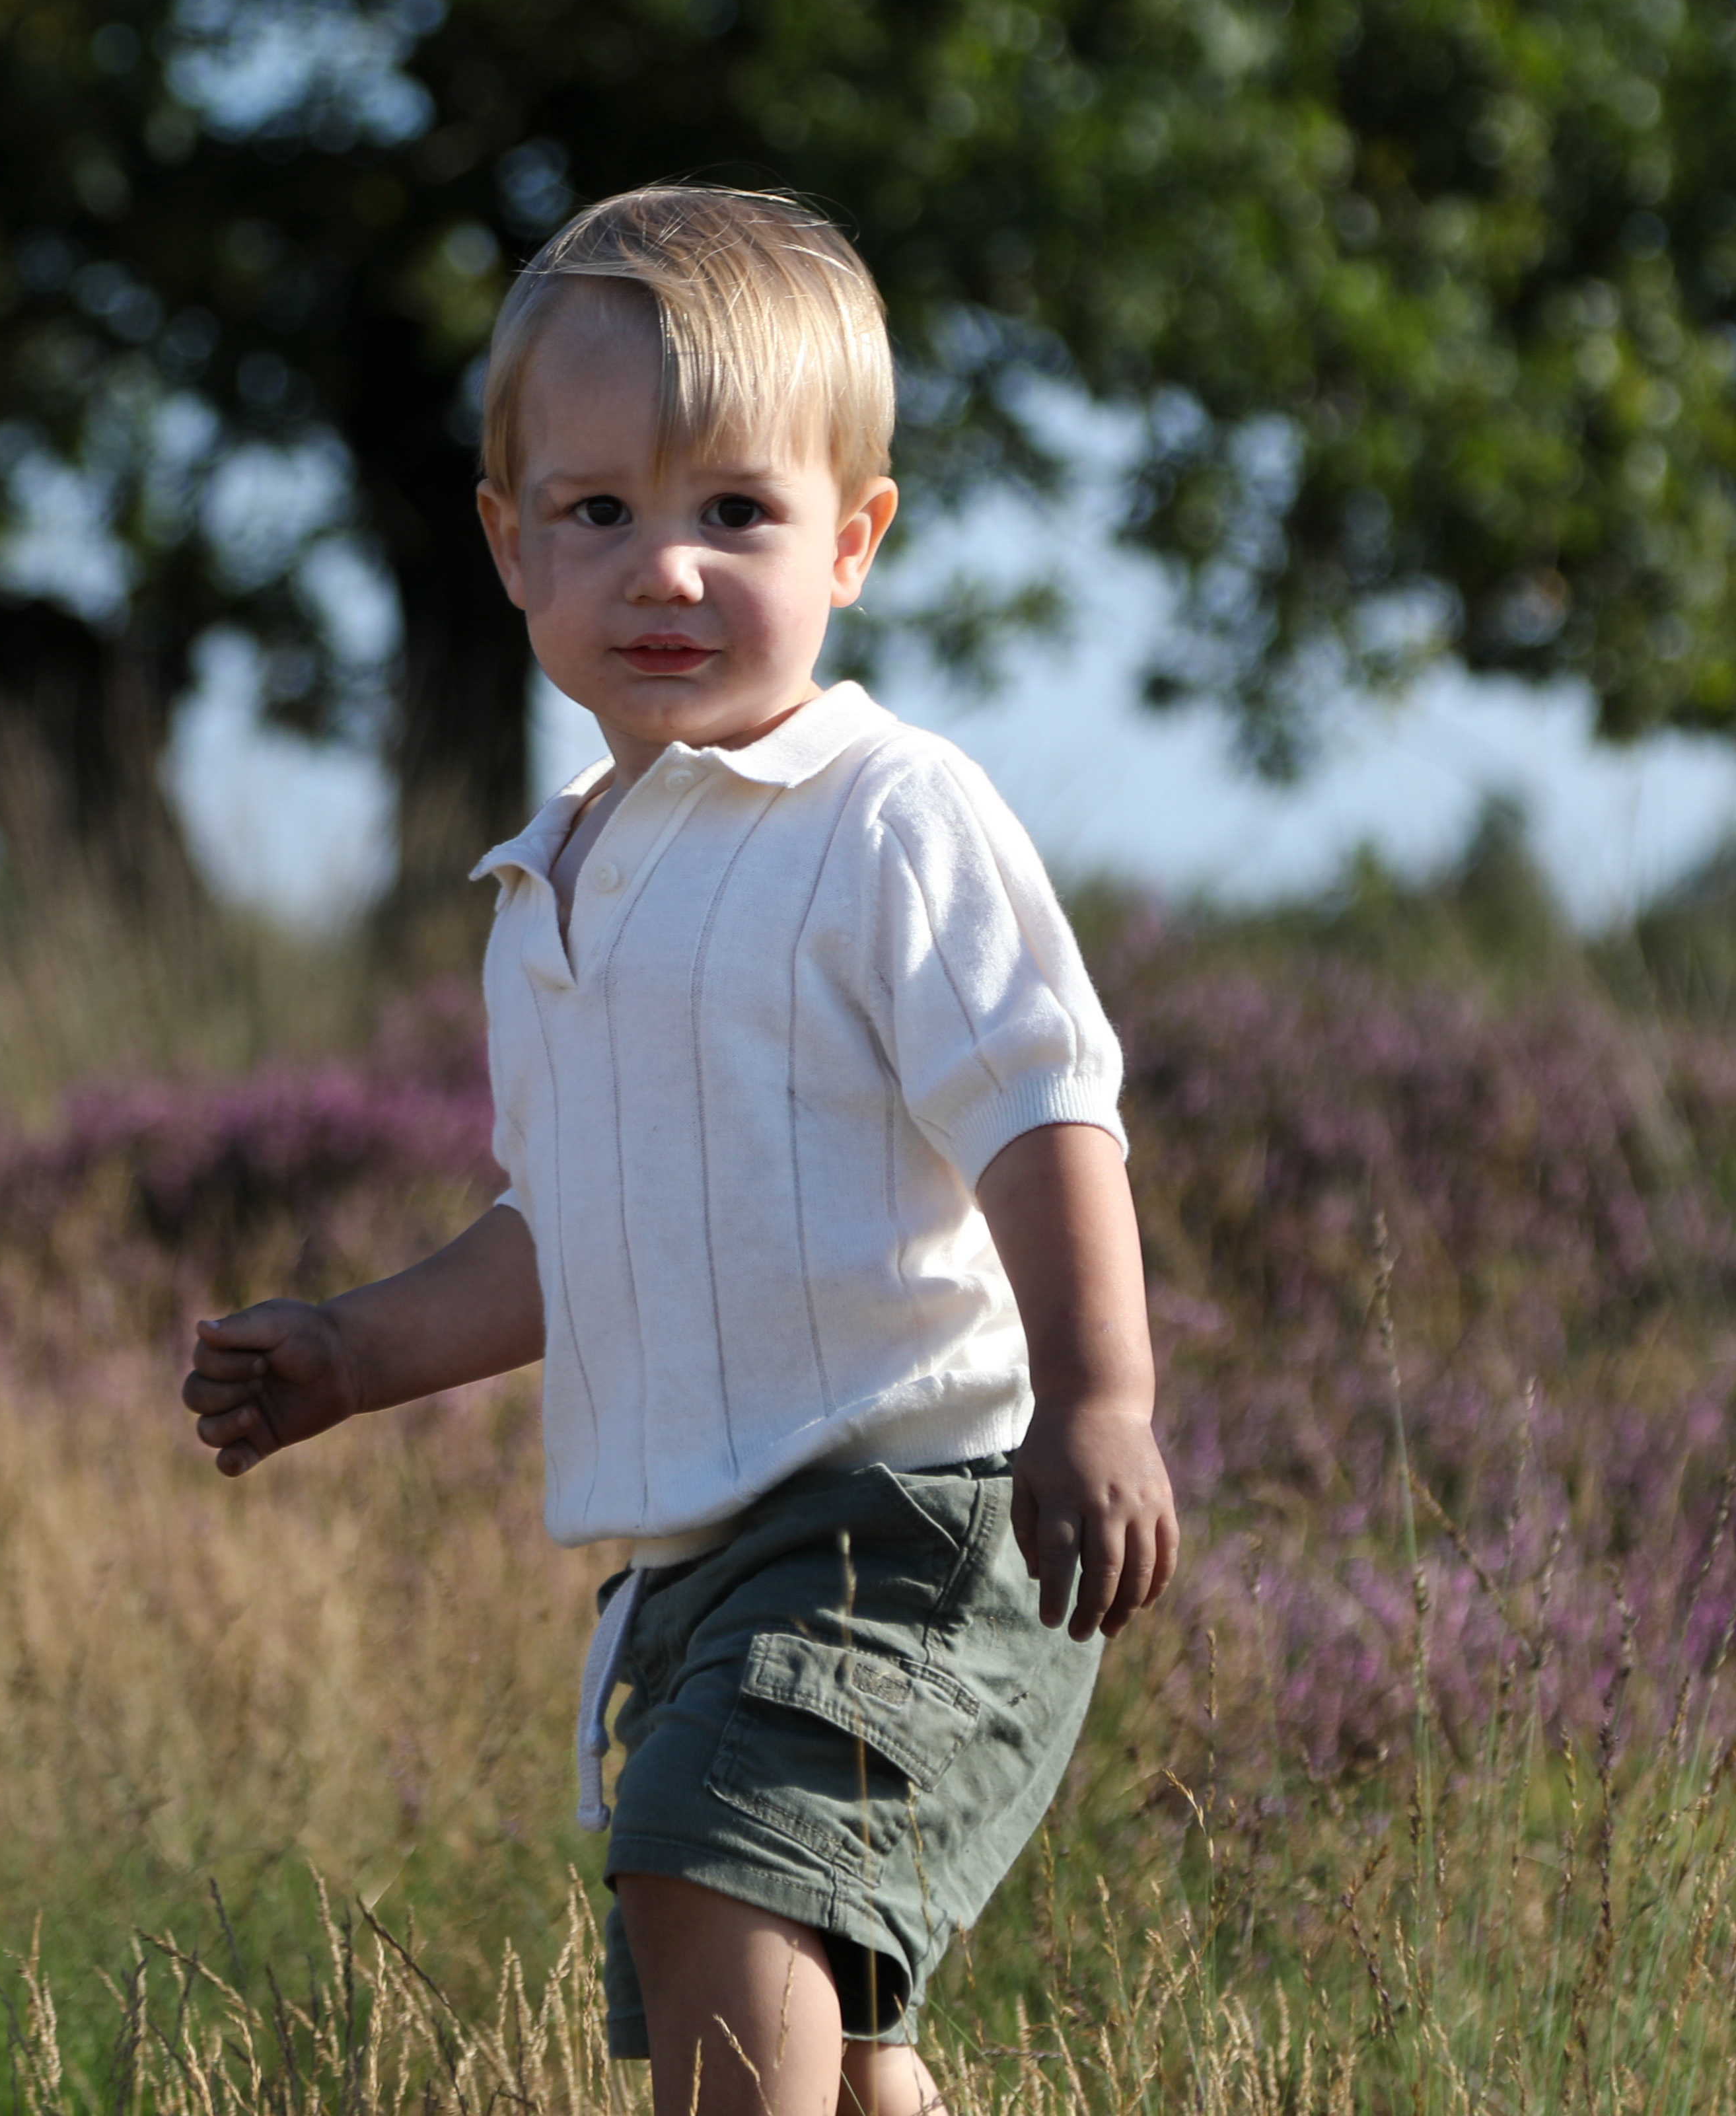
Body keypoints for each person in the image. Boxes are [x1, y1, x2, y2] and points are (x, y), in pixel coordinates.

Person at [182, 184, 1178, 2116]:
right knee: (831, 2027)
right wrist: (358, 1350)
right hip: (697, 1556)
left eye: (736, 510)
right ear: (510, 546)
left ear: (854, 540)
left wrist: (1101, 1400)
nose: (666, 568)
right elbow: (568, 1231)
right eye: (598, 513)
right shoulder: (548, 889)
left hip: (909, 1512)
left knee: (710, 1881)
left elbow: (1045, 1107)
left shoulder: (887, 815)